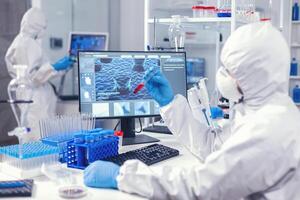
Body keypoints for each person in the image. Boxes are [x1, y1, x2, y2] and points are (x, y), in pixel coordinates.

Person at [84, 22, 300, 199]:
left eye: (229, 70)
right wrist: (170, 104)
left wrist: (122, 176)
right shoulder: (265, 109)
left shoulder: (269, 129)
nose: (221, 74)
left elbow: (200, 186)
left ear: (253, 76)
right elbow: (213, 147)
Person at [5, 8, 74, 140]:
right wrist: (54, 66)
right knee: (37, 136)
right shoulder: (25, 44)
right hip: (33, 97)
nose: (44, 30)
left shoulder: (26, 41)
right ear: (35, 26)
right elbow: (31, 78)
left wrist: (61, 68)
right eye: (43, 27)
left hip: (37, 95)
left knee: (43, 134)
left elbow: (41, 73)